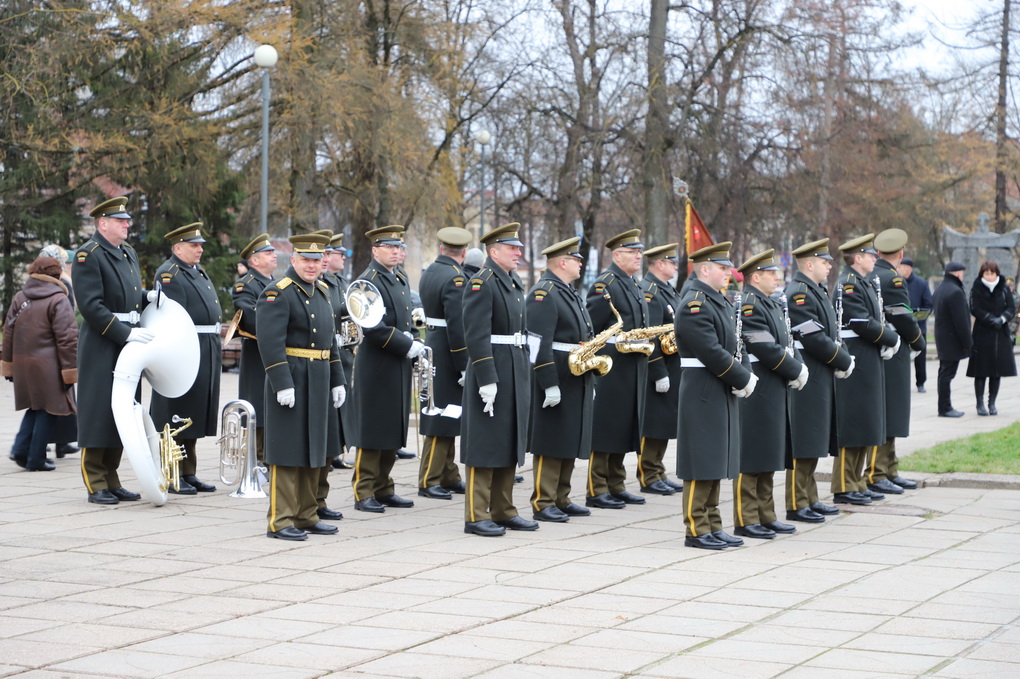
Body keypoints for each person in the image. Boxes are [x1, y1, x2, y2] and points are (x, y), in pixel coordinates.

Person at [257, 232, 346, 540]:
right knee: (287, 450)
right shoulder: (278, 292)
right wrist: (282, 382)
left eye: (316, 261)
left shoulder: (322, 291)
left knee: (315, 450)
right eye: (305, 260)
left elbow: (330, 343)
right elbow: (270, 343)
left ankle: (307, 515)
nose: (311, 266)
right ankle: (280, 520)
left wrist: (337, 380)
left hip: (319, 378)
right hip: (293, 377)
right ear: (293, 259)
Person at [675, 242, 755, 549]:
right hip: (702, 388)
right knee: (700, 460)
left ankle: (713, 523)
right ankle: (696, 529)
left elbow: (737, 343)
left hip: (719, 385)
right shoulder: (694, 303)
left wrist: (745, 372)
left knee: (716, 459)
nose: (728, 273)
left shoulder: (718, 300)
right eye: (722, 268)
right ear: (705, 269)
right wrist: (742, 376)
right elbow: (710, 351)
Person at [73, 196, 150, 505]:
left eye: (127, 220)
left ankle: (112, 478)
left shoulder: (127, 252)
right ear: (102, 224)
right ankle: (95, 481)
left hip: (128, 341)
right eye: (120, 221)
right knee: (99, 411)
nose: (127, 224)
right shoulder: (88, 254)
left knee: (123, 410)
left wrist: (148, 297)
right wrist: (125, 334)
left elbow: (129, 295)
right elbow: (91, 306)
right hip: (103, 343)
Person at [461, 222, 536, 537]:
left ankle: (503, 509)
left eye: (518, 248)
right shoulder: (483, 282)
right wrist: (485, 378)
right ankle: (477, 515)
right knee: (485, 442)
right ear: (494, 252)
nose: (518, 253)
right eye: (512, 248)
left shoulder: (511, 280)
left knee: (508, 440)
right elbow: (476, 335)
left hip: (514, 366)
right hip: (493, 366)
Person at [731, 250, 807, 540]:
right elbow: (764, 346)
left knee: (769, 453)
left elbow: (787, 340)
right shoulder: (750, 305)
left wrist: (797, 365)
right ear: (755, 277)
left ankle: (766, 514)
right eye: (771, 273)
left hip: (774, 385)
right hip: (758, 387)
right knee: (752, 454)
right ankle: (746, 518)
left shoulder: (772, 302)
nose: (777, 277)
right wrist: (794, 369)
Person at [348, 225, 419, 513]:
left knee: (392, 426)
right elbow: (372, 327)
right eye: (390, 247)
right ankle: (364, 490)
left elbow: (406, 318)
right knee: (373, 429)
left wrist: (414, 339)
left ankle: (383, 486)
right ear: (375, 250)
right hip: (377, 363)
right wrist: (406, 344)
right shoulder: (368, 281)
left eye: (399, 247)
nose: (396, 252)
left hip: (397, 361)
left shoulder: (399, 277)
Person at [148, 223, 222, 494]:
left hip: (204, 345)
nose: (199, 249)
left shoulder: (196, 270)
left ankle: (188, 472)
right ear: (178, 248)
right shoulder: (169, 273)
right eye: (194, 245)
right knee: (176, 413)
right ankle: (172, 473)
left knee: (193, 412)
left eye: (200, 245)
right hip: (186, 347)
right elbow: (173, 316)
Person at [526, 237, 594, 522]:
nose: (580, 263)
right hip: (556, 373)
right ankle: (543, 501)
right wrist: (548, 382)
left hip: (574, 373)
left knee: (568, 437)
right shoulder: (544, 293)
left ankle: (561, 497)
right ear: (563, 262)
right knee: (551, 440)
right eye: (576, 259)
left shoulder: (567, 291)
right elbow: (537, 343)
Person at [786, 239, 854, 523]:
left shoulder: (816, 290)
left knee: (814, 439)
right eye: (825, 262)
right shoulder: (799, 293)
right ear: (810, 264)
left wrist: (840, 357)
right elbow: (813, 337)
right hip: (809, 372)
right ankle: (796, 502)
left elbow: (830, 332)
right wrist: (841, 360)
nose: (829, 266)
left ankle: (810, 497)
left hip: (820, 372)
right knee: (803, 440)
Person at [831, 234, 899, 506]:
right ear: (857, 258)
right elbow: (861, 321)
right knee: (852, 424)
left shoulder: (864, 281)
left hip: (867, 357)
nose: (874, 258)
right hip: (856, 357)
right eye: (870, 255)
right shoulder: (849, 284)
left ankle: (856, 481)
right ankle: (844, 485)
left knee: (864, 423)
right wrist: (890, 338)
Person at [584, 229, 650, 509]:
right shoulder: (606, 284)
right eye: (632, 252)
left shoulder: (633, 283)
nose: (638, 256)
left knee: (624, 427)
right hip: (611, 367)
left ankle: (616, 484)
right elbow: (591, 328)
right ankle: (597, 488)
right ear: (617, 255)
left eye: (639, 252)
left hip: (633, 365)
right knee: (606, 427)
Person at [3, 257, 78, 471]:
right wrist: (69, 372)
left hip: (23, 363)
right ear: (57, 274)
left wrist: (8, 365)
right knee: (49, 410)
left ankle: (20, 450)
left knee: (35, 407)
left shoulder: (20, 296)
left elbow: (8, 332)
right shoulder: (59, 299)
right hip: (49, 365)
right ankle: (35, 459)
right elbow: (67, 338)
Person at [868, 229, 926, 496]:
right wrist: (918, 341)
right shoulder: (893, 279)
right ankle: (879, 472)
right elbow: (903, 317)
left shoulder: (871, 274)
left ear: (879, 253)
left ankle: (888, 469)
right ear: (901, 254)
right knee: (890, 412)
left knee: (888, 412)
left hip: (881, 348)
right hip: (894, 350)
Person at [417, 227, 473, 500]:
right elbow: (457, 326)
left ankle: (449, 474)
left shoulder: (431, 271)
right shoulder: (456, 278)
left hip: (435, 344)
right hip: (449, 351)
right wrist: (463, 363)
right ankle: (429, 479)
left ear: (441, 249)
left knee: (450, 414)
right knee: (441, 415)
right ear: (464, 253)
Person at [638, 243, 685, 496]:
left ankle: (658, 471)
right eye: (671, 262)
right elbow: (650, 336)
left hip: (672, 365)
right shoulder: (651, 291)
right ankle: (648, 474)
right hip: (659, 367)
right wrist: (658, 371)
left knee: (665, 422)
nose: (676, 266)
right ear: (659, 264)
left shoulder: (667, 290)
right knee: (654, 423)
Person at [232, 234, 277, 459]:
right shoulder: (245, 284)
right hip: (257, 354)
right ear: (255, 260)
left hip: (275, 353)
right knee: (258, 407)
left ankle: (269, 457)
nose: (274, 255)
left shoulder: (275, 283)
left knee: (272, 407)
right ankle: (256, 460)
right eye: (268, 253)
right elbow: (250, 317)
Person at [38, 243, 79, 459]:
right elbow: (67, 316)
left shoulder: (40, 283)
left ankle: (58, 441)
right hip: (57, 348)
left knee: (55, 397)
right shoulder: (63, 283)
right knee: (61, 396)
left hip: (44, 348)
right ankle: (54, 442)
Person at [967, 261, 1017, 415]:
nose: (989, 276)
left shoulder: (1003, 288)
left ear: (997, 274)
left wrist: (1002, 319)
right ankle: (980, 404)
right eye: (986, 274)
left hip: (1000, 333)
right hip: (982, 333)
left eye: (992, 273)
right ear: (982, 274)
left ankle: (992, 403)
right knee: (981, 370)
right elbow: (974, 308)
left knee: (996, 371)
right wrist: (989, 319)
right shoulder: (976, 288)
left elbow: (1011, 307)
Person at [932, 262, 971, 418]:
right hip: (952, 340)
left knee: (943, 373)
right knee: (947, 375)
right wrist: (968, 343)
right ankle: (945, 408)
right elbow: (961, 322)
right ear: (959, 274)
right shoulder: (955, 291)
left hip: (942, 338)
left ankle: (943, 406)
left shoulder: (940, 289)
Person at [898, 257, 932, 392]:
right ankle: (900, 383)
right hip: (900, 327)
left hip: (918, 327)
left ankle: (921, 383)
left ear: (908, 268)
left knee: (920, 357)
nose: (898, 269)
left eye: (900, 267)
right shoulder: (897, 282)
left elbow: (928, 305)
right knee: (900, 357)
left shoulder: (921, 283)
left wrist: (917, 317)